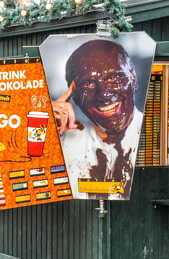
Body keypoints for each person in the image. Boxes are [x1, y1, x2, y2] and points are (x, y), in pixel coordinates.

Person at [52, 39, 142, 200]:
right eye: (88, 84)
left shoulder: (155, 135)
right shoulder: (63, 142)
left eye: (113, 79)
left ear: (133, 79)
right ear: (75, 96)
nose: (104, 95)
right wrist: (39, 128)